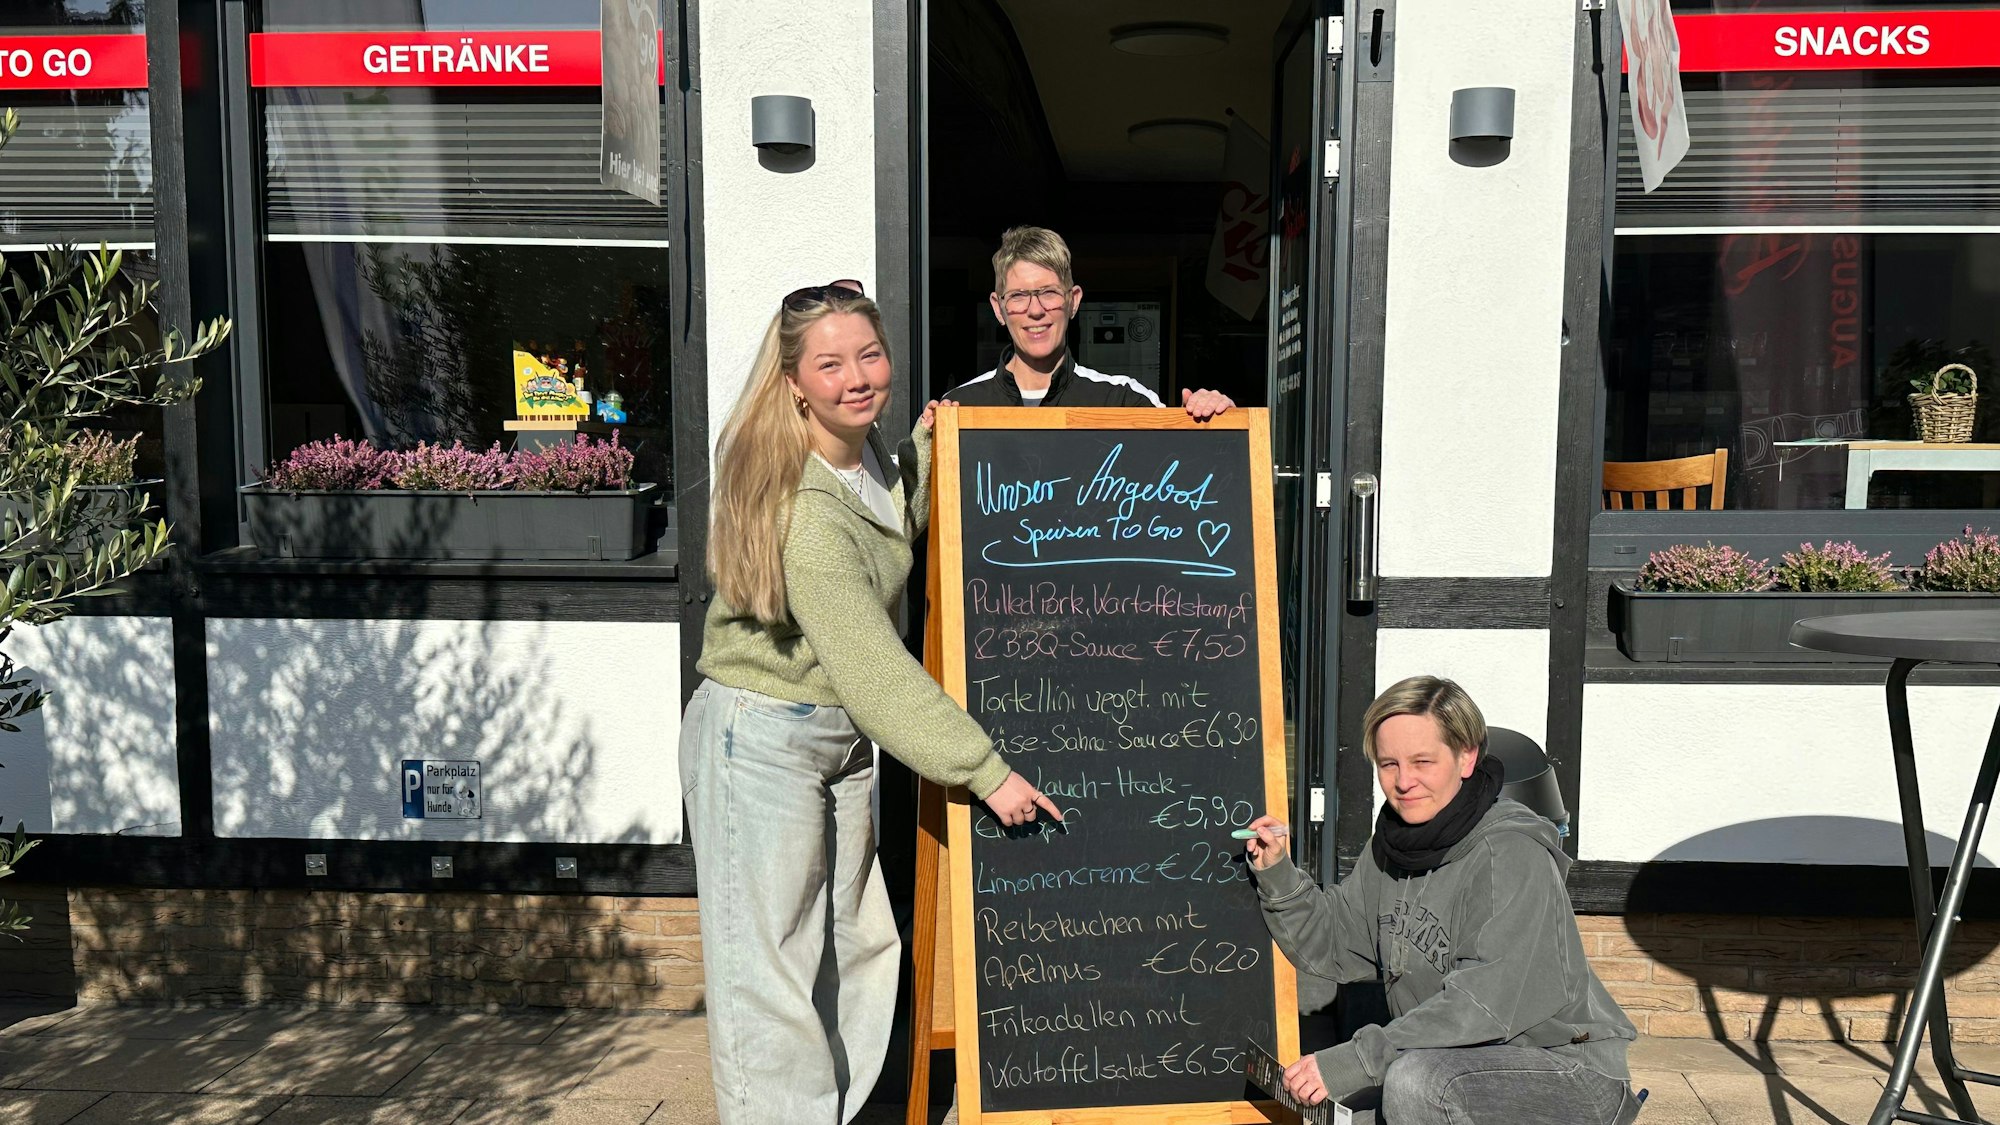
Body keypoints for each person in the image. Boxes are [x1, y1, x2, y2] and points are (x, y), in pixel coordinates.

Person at [682, 280, 1063, 1125]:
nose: (857, 377)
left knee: (859, 949)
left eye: (869, 354)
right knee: (772, 978)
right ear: (792, 381)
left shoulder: (868, 457)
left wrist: (936, 444)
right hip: (764, 736)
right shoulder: (805, 508)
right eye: (830, 363)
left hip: (838, 739)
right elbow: (873, 666)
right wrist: (986, 771)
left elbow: (894, 529)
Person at [1242, 676, 1639, 1124]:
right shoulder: (1394, 843)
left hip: (1564, 1073)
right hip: (1456, 1063)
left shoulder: (1510, 853)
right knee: (1335, 1114)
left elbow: (1483, 1003)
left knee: (1415, 1081)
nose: (1403, 781)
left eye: (1422, 761)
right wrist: (1276, 871)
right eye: (1388, 763)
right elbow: (1334, 942)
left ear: (1466, 756)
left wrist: (1358, 1060)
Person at [937, 225, 1236, 418]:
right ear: (998, 308)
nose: (1035, 310)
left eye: (1048, 293)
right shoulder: (960, 407)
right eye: (1018, 296)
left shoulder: (1124, 401)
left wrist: (1218, 424)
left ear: (1073, 301)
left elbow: (1189, 477)